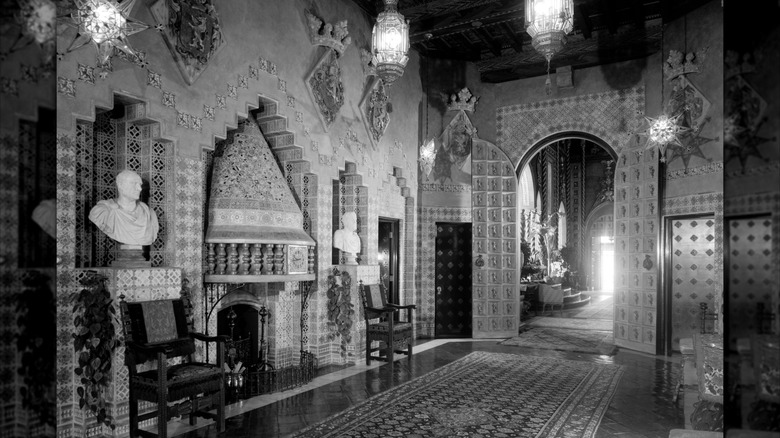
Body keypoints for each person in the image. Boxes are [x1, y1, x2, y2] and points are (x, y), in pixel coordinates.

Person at [89, 170, 159, 246]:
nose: (139, 188)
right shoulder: (102, 211)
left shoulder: (148, 213)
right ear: (120, 186)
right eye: (134, 183)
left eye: (140, 184)